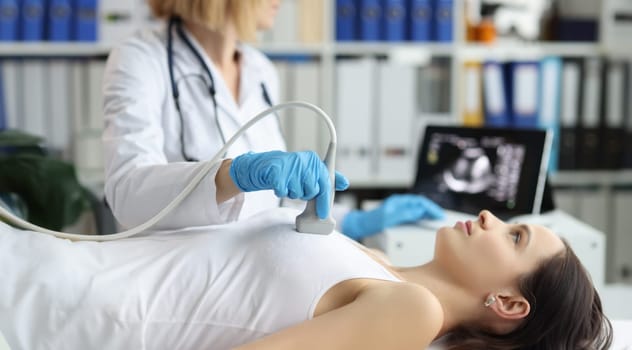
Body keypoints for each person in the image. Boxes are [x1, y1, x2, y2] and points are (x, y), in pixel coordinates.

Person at [0, 208, 612, 349]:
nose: (489, 216)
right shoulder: (372, 259)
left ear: (507, 302)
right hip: (44, 261)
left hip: (54, 308)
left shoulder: (412, 311)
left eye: (515, 237)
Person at [101, 0, 444, 239]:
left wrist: (352, 221)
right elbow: (128, 196)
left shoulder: (260, 69)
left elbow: (278, 203)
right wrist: (233, 174)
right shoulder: (140, 59)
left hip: (256, 264)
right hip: (178, 273)